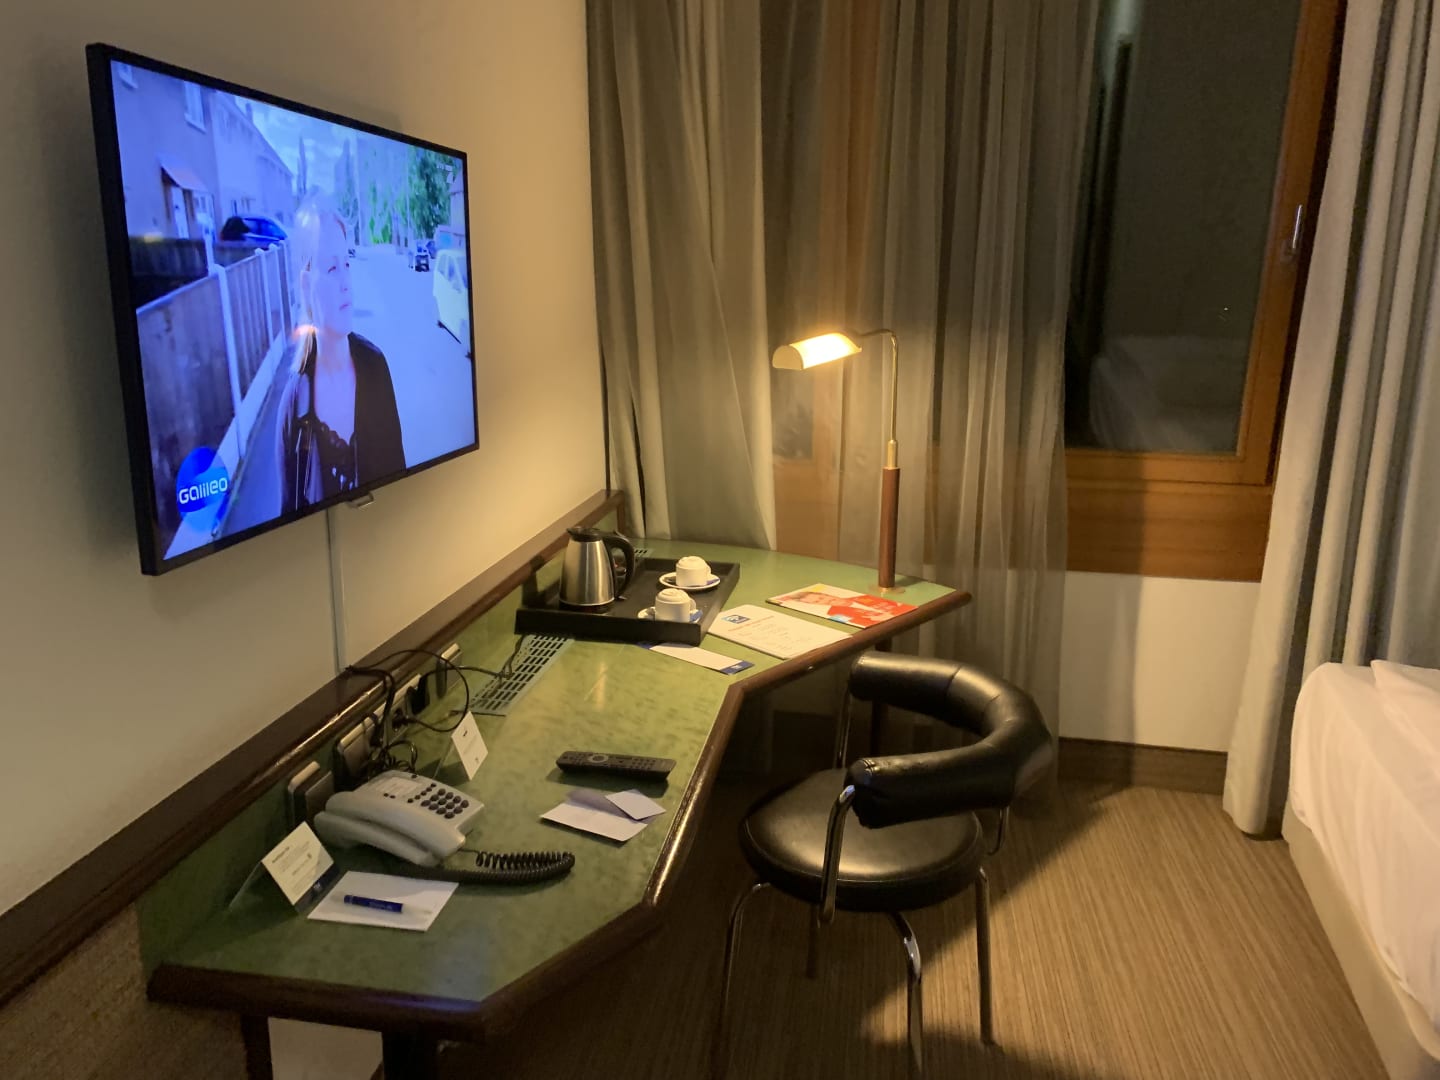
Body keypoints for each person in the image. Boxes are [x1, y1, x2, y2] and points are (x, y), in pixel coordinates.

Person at [276, 195, 405, 512]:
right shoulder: (293, 405)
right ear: (306, 285)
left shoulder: (375, 368)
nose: (346, 282)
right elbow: (289, 515)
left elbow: (400, 482)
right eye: (332, 268)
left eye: (346, 264)